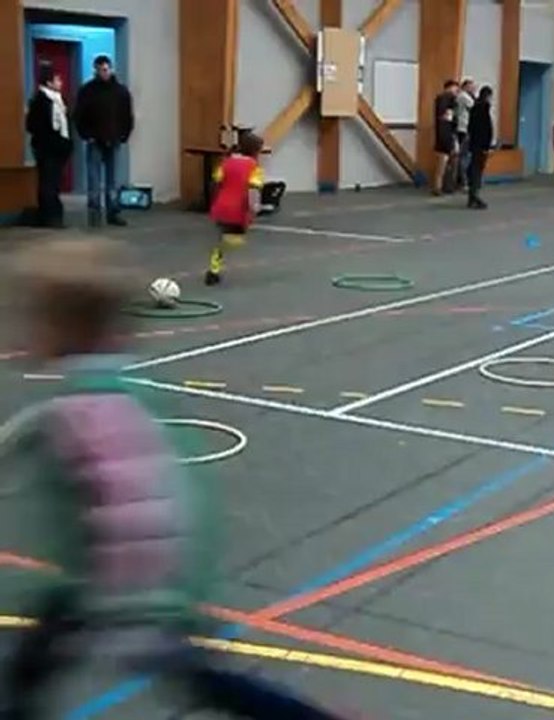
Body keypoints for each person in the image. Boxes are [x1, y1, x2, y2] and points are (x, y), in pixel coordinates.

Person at [0, 236, 347, 720]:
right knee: (194, 681)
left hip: (123, 596)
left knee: (200, 681)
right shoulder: (118, 390)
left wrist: (131, 606)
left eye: (35, 318)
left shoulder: (83, 410)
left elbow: (126, 501)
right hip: (119, 590)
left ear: (63, 325)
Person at [74, 55, 134, 228]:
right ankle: (94, 213)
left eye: (106, 69)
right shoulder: (87, 91)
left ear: (111, 69)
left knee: (112, 180)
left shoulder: (121, 91)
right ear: (96, 70)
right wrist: (86, 135)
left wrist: (124, 135)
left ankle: (112, 212)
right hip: (95, 140)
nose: (104, 73)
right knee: (94, 179)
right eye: (100, 70)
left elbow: (127, 115)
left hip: (114, 140)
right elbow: (78, 116)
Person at [205, 131, 265, 286]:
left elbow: (216, 182)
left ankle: (214, 269)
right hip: (238, 209)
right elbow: (253, 189)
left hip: (221, 206)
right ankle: (220, 257)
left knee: (221, 239)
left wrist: (214, 202)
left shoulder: (226, 162)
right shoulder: (253, 167)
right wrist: (255, 207)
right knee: (234, 240)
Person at [25, 64, 72, 229]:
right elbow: (32, 125)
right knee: (48, 183)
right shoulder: (40, 101)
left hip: (58, 150)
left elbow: (65, 125)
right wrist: (50, 140)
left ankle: (53, 216)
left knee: (54, 183)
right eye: (57, 79)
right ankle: (49, 217)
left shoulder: (60, 100)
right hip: (47, 150)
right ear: (49, 82)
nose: (61, 82)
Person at [466, 86, 494, 210]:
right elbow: (485, 129)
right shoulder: (484, 109)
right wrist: (486, 145)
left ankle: (472, 196)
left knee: (474, 169)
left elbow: (470, 127)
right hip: (481, 145)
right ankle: (474, 196)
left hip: (474, 143)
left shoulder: (474, 108)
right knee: (477, 171)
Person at [432, 79, 459, 195]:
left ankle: (444, 185)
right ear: (449, 87)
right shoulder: (447, 100)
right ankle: (439, 186)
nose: (456, 91)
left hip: (445, 134)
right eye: (455, 88)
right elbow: (447, 119)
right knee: (443, 162)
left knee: (446, 161)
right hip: (446, 135)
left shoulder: (444, 100)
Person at [454, 78, 476, 191]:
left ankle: (462, 180)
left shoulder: (464, 96)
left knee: (465, 156)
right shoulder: (463, 96)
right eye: (471, 87)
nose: (473, 89)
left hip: (464, 128)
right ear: (466, 86)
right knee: (464, 156)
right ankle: (463, 182)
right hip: (464, 129)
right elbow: (475, 108)